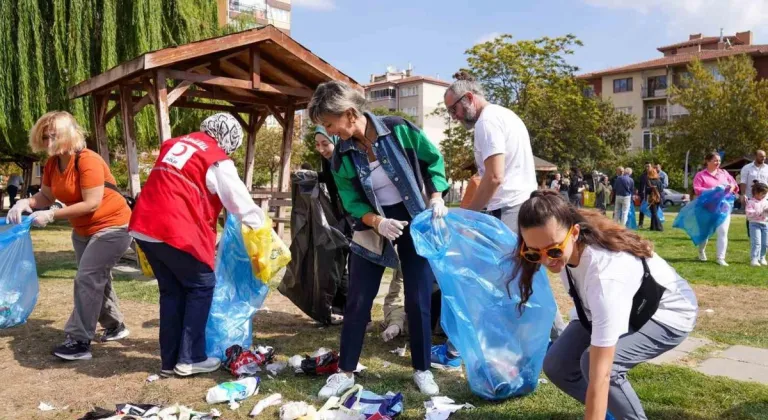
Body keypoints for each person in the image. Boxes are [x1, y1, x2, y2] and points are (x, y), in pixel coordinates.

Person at [308, 80, 449, 398]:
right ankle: (345, 371)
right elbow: (351, 201)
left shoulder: (399, 130)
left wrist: (437, 196)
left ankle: (422, 369)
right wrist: (377, 222)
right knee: (358, 297)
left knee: (418, 295)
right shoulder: (341, 156)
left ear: (349, 113)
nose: (331, 132)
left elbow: (432, 161)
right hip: (373, 224)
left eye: (330, 124)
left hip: (414, 219)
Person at [514, 190, 698, 420]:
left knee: (594, 366)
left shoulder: (604, 275)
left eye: (553, 250)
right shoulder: (568, 250)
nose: (546, 260)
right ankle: (608, 411)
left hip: (669, 313)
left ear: (575, 233)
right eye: (533, 253)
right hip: (622, 305)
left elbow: (601, 373)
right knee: (557, 365)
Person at [440, 70, 567, 367]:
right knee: (524, 276)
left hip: (509, 208)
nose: (454, 116)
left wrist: (469, 217)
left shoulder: (487, 122)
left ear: (469, 98)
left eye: (454, 109)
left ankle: (465, 347)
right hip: (520, 204)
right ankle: (557, 338)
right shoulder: (504, 115)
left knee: (497, 277)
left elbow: (495, 176)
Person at [129, 113, 266, 377]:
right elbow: (239, 202)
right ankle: (191, 358)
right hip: (174, 228)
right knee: (201, 285)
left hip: (144, 225)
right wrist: (261, 227)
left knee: (172, 291)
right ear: (228, 140)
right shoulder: (216, 159)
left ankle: (169, 362)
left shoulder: (174, 144)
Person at [6, 111, 133, 361]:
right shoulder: (52, 163)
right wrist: (25, 203)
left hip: (114, 226)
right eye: (44, 135)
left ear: (68, 135)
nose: (48, 140)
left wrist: (52, 216)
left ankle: (79, 341)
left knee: (87, 278)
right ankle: (115, 326)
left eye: (53, 135)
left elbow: (92, 203)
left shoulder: (88, 160)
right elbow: (46, 196)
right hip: (84, 230)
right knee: (97, 278)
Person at [316, 126, 406, 338]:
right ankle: (351, 314)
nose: (322, 149)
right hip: (347, 217)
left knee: (364, 269)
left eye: (325, 143)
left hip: (364, 219)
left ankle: (367, 318)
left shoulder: (348, 158)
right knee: (347, 266)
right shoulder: (332, 161)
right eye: (317, 144)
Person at [693, 151, 739, 266]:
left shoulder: (724, 173)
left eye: (719, 160)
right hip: (706, 207)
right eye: (715, 160)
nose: (718, 162)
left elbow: (735, 186)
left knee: (723, 232)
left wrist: (731, 187)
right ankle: (701, 251)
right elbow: (697, 189)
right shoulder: (700, 175)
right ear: (708, 161)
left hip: (723, 207)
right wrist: (713, 189)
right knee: (705, 233)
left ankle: (720, 258)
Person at [739, 150, 768, 238]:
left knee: (765, 214)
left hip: (765, 197)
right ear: (755, 156)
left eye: (764, 156)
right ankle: (752, 235)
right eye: (761, 156)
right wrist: (743, 194)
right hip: (751, 197)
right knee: (751, 215)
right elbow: (743, 182)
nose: (763, 158)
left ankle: (764, 234)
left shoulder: (767, 168)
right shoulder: (747, 168)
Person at [745, 182, 768, 267]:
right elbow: (749, 213)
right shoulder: (750, 202)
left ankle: (762, 257)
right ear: (756, 193)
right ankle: (754, 259)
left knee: (765, 243)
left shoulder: (765, 201)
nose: (764, 196)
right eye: (763, 194)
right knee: (756, 242)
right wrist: (760, 212)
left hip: (765, 224)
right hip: (754, 224)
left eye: (765, 194)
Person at [637, 163, 652, 228]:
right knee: (642, 210)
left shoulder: (653, 175)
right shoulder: (643, 176)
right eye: (646, 166)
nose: (647, 167)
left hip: (651, 195)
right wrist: (639, 194)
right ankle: (640, 224)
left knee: (652, 210)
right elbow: (640, 186)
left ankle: (653, 224)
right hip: (643, 196)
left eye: (648, 166)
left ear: (651, 167)